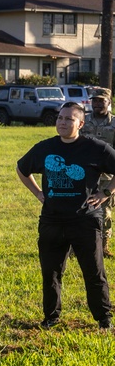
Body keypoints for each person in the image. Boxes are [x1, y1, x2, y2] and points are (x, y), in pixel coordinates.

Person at [17, 102, 115, 330]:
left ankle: (104, 318)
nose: (62, 122)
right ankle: (51, 317)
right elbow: (22, 169)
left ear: (81, 124)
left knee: (94, 271)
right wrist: (38, 193)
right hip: (52, 220)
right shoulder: (45, 148)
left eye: (69, 119)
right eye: (60, 118)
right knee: (50, 272)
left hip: (85, 220)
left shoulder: (96, 148)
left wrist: (106, 192)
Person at [82, 89, 115, 257]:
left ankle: (103, 247)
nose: (97, 104)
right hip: (83, 175)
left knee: (105, 212)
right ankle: (76, 246)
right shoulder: (82, 121)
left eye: (101, 101)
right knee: (79, 209)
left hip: (106, 176)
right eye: (94, 100)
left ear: (109, 102)